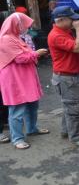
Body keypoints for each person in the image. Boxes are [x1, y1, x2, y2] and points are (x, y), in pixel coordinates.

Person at [0, 13, 49, 150]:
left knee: (32, 104)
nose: (27, 28)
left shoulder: (16, 37)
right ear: (17, 25)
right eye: (25, 25)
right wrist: (36, 53)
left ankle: (32, 128)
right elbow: (20, 58)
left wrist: (33, 54)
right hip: (14, 79)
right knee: (17, 108)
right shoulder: (6, 39)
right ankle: (17, 139)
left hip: (25, 77)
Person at [48, 6, 79, 148]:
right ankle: (76, 137)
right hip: (67, 77)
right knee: (74, 108)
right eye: (71, 18)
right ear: (61, 20)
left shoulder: (64, 31)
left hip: (68, 76)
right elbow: (77, 48)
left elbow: (75, 48)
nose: (74, 21)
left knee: (69, 106)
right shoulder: (57, 35)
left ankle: (66, 130)